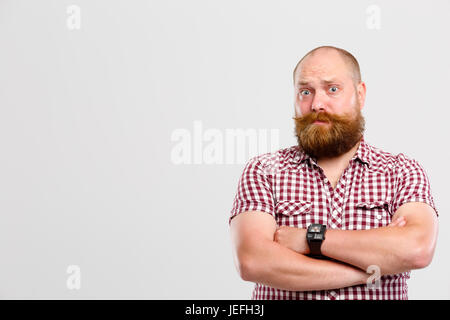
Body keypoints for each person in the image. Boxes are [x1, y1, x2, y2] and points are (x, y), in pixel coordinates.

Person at [228, 46, 439, 300]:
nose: (317, 103)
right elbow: (254, 261)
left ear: (360, 95)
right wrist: (368, 271)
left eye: (332, 89)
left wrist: (309, 238)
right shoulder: (264, 171)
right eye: (305, 92)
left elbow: (416, 249)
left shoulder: (401, 172)